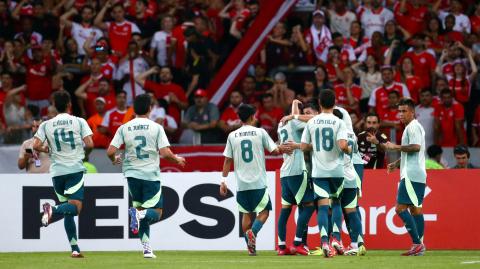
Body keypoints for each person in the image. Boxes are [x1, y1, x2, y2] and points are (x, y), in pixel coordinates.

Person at [107, 94, 186, 258]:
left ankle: (147, 248)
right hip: (149, 175)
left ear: (134, 109)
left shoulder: (124, 127)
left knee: (141, 210)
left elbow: (111, 151)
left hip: (131, 175)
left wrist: (114, 159)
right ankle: (139, 216)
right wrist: (177, 159)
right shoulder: (156, 127)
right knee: (156, 213)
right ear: (150, 108)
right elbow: (165, 153)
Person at [220, 104, 292, 256]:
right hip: (258, 181)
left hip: (241, 182)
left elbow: (227, 160)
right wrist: (283, 147)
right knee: (264, 211)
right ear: (252, 116)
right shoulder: (260, 132)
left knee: (246, 213)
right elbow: (275, 150)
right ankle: (253, 232)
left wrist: (223, 181)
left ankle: (250, 247)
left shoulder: (232, 135)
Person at [33, 91, 94, 258]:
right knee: (75, 208)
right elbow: (90, 143)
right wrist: (81, 151)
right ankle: (50, 209)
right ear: (69, 105)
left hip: (57, 172)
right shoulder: (79, 121)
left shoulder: (46, 124)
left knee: (67, 210)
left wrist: (47, 149)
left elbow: (36, 145)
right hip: (73, 169)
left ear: (54, 106)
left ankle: (74, 249)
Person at [300, 89, 351, 258]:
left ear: (320, 103)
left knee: (322, 207)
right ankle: (336, 238)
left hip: (319, 171)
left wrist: (315, 146)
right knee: (336, 204)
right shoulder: (339, 122)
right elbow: (343, 145)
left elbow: (304, 146)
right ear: (334, 103)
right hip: (337, 171)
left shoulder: (312, 122)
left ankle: (324, 242)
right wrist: (350, 150)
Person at [382, 98, 426, 256]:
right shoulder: (412, 127)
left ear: (412, 112)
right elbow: (414, 151)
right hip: (416, 173)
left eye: (404, 111)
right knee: (415, 210)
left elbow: (415, 147)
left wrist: (395, 146)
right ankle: (419, 246)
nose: (400, 114)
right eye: (399, 111)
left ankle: (417, 243)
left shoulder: (412, 127)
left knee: (400, 209)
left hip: (411, 174)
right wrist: (397, 163)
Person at [276, 100, 315, 256]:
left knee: (285, 210)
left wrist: (293, 106)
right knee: (310, 205)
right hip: (297, 170)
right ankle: (297, 243)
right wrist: (295, 115)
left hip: (284, 172)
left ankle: (281, 246)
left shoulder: (281, 125)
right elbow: (312, 120)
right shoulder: (294, 123)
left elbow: (296, 117)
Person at [331, 109, 366, 256]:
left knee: (336, 206)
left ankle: (336, 240)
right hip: (352, 176)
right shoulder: (352, 135)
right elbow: (355, 152)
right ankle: (358, 244)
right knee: (352, 211)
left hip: (338, 176)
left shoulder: (335, 135)